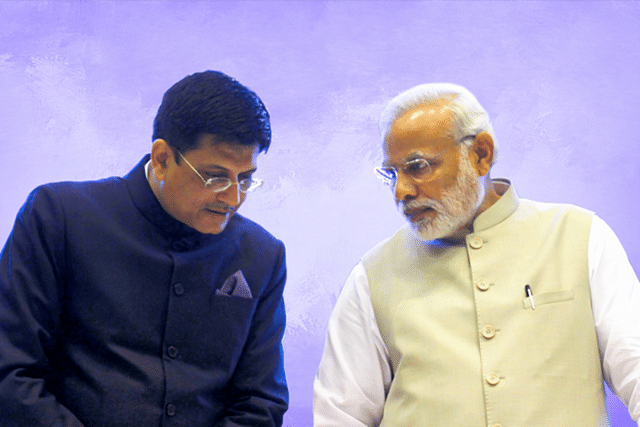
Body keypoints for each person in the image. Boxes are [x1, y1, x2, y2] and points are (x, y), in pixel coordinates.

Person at [313, 83, 640, 426]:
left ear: (480, 154)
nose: (401, 191)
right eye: (391, 174)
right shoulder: (372, 276)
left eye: (417, 166)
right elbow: (340, 416)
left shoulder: (581, 236)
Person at [0, 70, 288, 426]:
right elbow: (11, 371)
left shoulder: (262, 255)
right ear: (163, 158)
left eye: (245, 179)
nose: (233, 198)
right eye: (215, 177)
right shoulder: (59, 217)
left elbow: (260, 402)